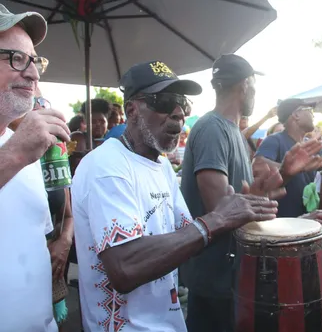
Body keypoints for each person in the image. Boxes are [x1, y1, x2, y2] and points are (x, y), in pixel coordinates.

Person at [71, 60, 281, 332]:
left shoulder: (162, 168)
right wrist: (215, 220)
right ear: (132, 109)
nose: (179, 112)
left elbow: (188, 238)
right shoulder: (107, 166)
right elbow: (125, 268)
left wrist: (246, 208)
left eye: (183, 103)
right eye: (165, 100)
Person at [180, 56, 319, 332]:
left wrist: (287, 174)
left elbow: (244, 200)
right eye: (254, 86)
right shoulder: (212, 129)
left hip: (230, 272)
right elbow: (221, 211)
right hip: (214, 275)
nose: (255, 93)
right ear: (245, 85)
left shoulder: (233, 131)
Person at [0, 4, 71, 331]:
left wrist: (63, 239)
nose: (33, 74)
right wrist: (13, 154)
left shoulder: (27, 150)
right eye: (15, 59)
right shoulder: (20, 149)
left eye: (34, 60)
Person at [255, 98, 322, 218]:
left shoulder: (310, 144)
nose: (313, 114)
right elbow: (258, 164)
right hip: (281, 221)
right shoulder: (275, 140)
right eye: (309, 110)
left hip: (304, 218)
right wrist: (289, 168)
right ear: (296, 115)